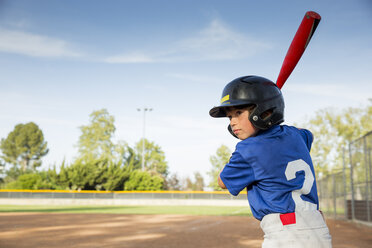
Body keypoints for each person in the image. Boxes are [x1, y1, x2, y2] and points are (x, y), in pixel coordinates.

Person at [209, 75, 332, 248]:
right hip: (318, 229)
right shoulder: (295, 135)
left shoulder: (248, 149)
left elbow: (223, 182)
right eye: (229, 117)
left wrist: (239, 153)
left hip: (286, 234)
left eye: (239, 113)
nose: (233, 123)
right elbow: (307, 133)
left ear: (264, 112)